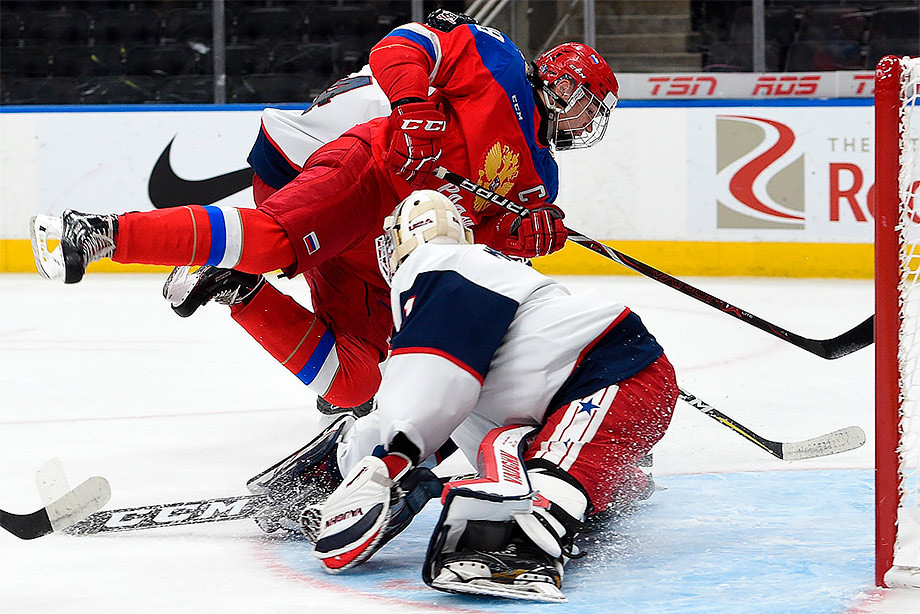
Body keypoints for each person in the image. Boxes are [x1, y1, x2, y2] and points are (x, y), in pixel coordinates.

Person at [30, 13, 620, 422]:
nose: (586, 123)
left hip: (388, 256)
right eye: (588, 106)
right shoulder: (498, 62)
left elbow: (478, 239)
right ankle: (97, 233)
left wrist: (523, 236)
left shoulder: (542, 179)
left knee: (359, 382)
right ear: (563, 87)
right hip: (370, 175)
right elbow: (398, 48)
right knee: (271, 242)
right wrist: (413, 105)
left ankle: (236, 291)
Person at [246, 190, 678, 603]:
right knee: (509, 455)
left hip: (609, 380)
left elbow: (433, 380)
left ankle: (512, 548)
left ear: (397, 241)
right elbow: (428, 400)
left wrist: (390, 460)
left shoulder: (439, 266)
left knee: (536, 495)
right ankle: (619, 477)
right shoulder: (472, 266)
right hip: (584, 389)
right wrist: (357, 462)